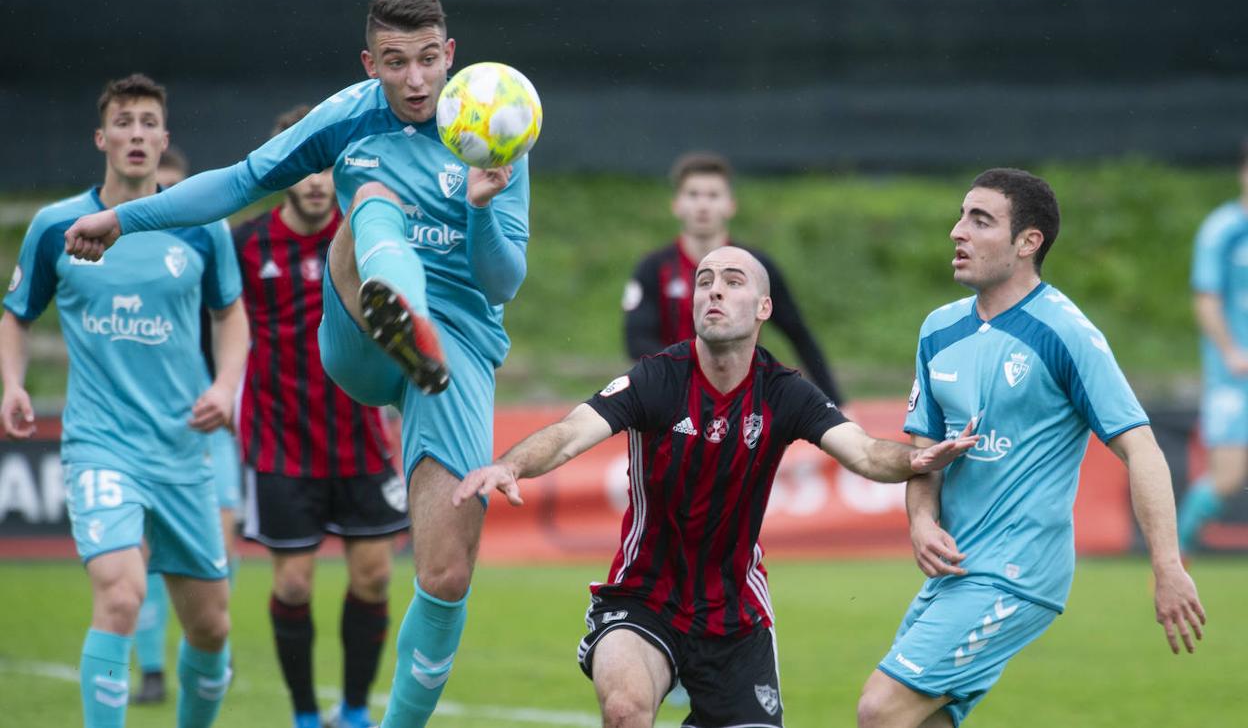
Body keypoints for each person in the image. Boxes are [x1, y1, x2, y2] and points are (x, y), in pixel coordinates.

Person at [64, 0, 529, 728]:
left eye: (426, 61)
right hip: (360, 328)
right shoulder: (349, 118)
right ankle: (402, 309)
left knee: (445, 575)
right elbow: (241, 183)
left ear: (450, 55)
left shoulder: (496, 123)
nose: (413, 81)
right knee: (369, 199)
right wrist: (127, 215)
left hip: (457, 351)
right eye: (394, 63)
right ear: (369, 62)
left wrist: (479, 208)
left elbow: (504, 279)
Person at [452, 245, 977, 728]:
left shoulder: (784, 391)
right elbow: (569, 434)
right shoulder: (658, 378)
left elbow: (863, 452)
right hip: (643, 597)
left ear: (764, 308)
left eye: (732, 280)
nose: (714, 290)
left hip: (735, 613)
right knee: (626, 709)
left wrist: (917, 458)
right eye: (704, 281)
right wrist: (510, 465)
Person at [855, 168, 1206, 728]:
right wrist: (921, 521)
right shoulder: (938, 330)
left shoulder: (1066, 332)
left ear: (1027, 242)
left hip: (1019, 570)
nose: (957, 231)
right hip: (955, 569)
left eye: (980, 220)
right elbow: (924, 455)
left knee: (880, 710)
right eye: (961, 215)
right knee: (922, 720)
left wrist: (1167, 565)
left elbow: (1142, 450)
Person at [0, 74, 248, 727]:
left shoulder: (201, 227)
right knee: (121, 595)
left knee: (212, 628)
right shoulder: (58, 226)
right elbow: (16, 314)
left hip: (183, 453)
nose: (136, 134)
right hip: (102, 448)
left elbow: (231, 314)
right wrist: (13, 384)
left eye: (148, 123)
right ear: (101, 137)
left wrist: (226, 387)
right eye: (124, 121)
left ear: (164, 139)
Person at [234, 105, 410, 728]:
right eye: (304, 165)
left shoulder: (370, 234)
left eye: (326, 165)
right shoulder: (246, 244)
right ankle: (307, 716)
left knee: (372, 579)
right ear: (285, 169)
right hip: (280, 441)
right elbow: (219, 325)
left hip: (360, 439)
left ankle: (357, 712)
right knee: (293, 587)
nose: (315, 180)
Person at [131, 144, 246, 706]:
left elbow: (236, 323)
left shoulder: (210, 246)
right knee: (149, 552)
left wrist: (230, 393)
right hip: (149, 424)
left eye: (178, 194)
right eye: (160, 195)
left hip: (213, 416)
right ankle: (152, 669)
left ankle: (211, 648)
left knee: (220, 546)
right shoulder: (129, 257)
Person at [622, 151, 845, 404]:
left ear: (730, 205)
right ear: (677, 204)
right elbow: (636, 342)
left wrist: (838, 403)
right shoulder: (653, 268)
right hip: (671, 397)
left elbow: (799, 334)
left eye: (713, 195)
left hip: (739, 402)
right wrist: (690, 374)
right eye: (693, 194)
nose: (703, 205)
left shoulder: (758, 268)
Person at [1179, 142, 1248, 553]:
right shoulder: (1223, 228)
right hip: (1233, 376)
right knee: (1226, 477)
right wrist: (1231, 353)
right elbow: (1206, 299)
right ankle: (1175, 553)